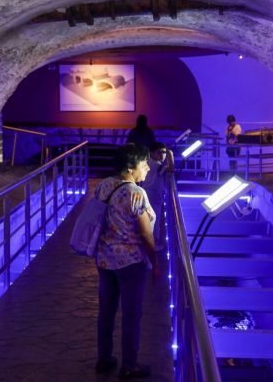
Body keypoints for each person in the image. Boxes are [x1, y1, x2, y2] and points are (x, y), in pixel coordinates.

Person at [93, 143, 159, 379]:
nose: (147, 170)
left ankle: (104, 358)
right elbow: (145, 234)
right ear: (131, 168)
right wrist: (156, 262)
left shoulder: (104, 185)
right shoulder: (136, 193)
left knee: (107, 311)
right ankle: (129, 364)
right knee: (132, 313)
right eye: (144, 165)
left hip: (104, 260)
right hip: (130, 262)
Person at [141, 142, 174, 256]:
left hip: (150, 194)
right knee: (154, 220)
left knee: (150, 219)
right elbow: (171, 169)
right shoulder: (155, 164)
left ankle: (150, 243)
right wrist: (170, 154)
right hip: (153, 196)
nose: (162, 155)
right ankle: (153, 244)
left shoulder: (150, 162)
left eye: (164, 152)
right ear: (151, 153)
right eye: (159, 152)